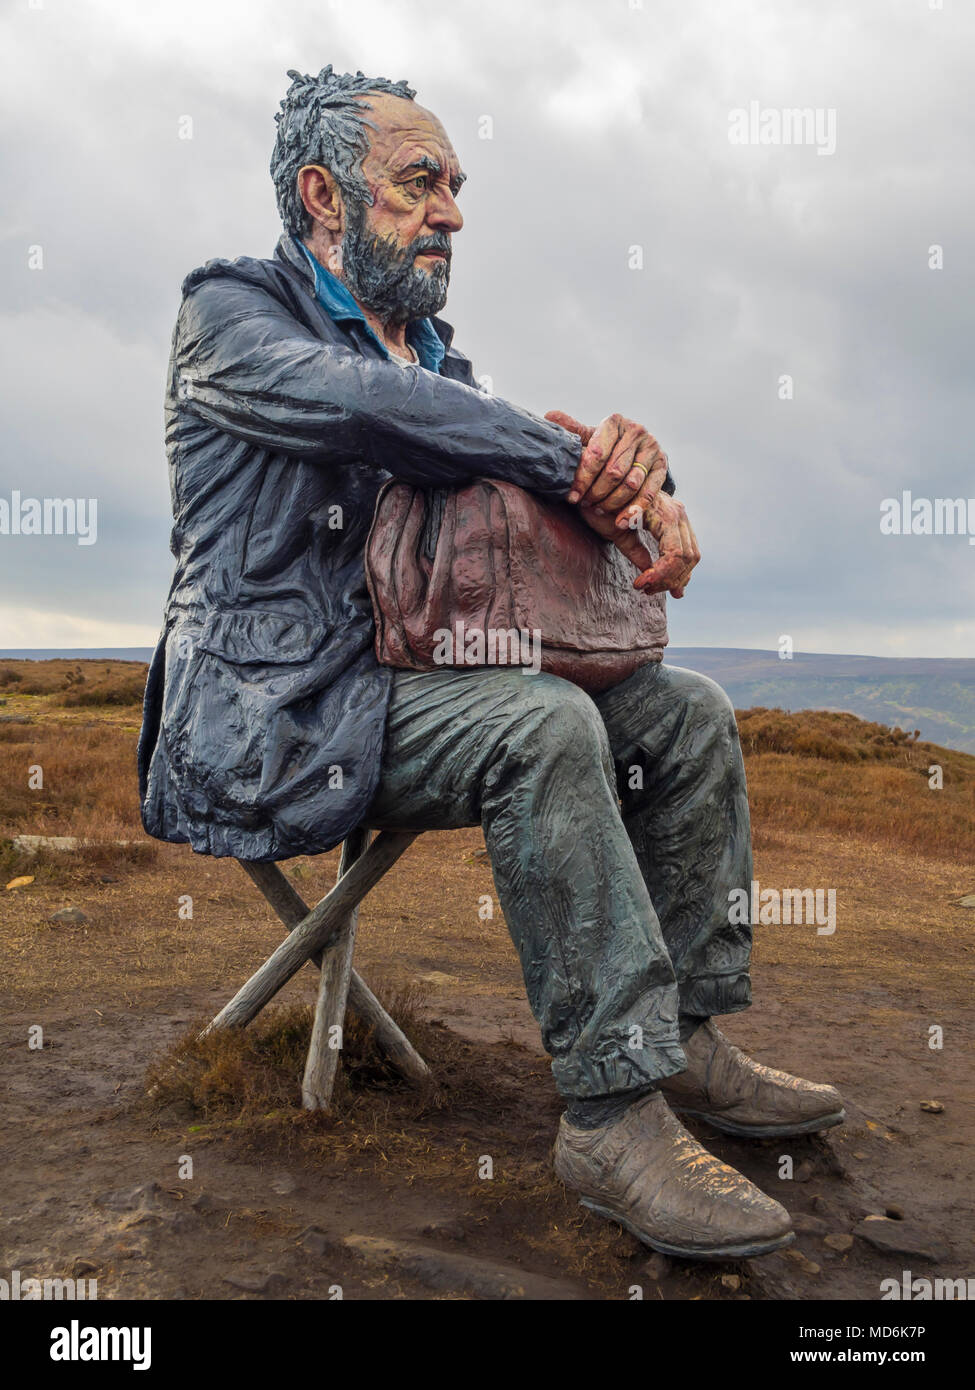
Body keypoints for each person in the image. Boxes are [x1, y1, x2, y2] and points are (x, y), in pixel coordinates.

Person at [138, 66, 844, 1261]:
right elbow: (376, 410)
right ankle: (613, 1115)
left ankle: (691, 1035)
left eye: (457, 186)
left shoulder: (435, 361)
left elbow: (480, 437)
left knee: (687, 713)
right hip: (271, 716)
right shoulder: (231, 316)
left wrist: (641, 481)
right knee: (540, 725)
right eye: (421, 185)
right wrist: (575, 462)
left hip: (394, 691)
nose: (453, 212)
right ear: (323, 195)